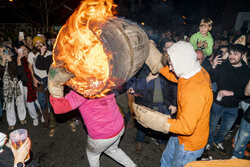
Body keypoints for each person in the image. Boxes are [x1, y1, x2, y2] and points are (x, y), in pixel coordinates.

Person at [133, 41, 213, 167]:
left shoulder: (195, 91)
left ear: (182, 63)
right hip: (178, 133)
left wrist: (157, 121)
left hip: (189, 144)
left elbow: (186, 127)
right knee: (165, 161)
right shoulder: (193, 69)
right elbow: (171, 75)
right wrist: (151, 52)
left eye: (172, 64)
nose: (170, 68)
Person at [48, 65, 136, 167]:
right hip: (119, 127)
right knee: (113, 150)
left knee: (92, 155)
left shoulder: (81, 90)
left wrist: (54, 85)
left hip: (101, 136)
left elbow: (58, 108)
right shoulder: (105, 79)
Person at [206, 44, 250, 154]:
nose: (232, 56)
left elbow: (246, 93)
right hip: (217, 103)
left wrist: (230, 93)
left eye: (236, 54)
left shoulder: (246, 71)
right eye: (230, 53)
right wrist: (214, 67)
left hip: (233, 106)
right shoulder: (223, 65)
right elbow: (211, 79)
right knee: (212, 125)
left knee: (225, 129)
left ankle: (218, 141)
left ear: (243, 55)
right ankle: (208, 142)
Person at [0, 44, 26, 130]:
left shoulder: (13, 58)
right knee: (9, 103)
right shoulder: (0, 61)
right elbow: (0, 74)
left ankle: (22, 118)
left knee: (20, 101)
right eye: (0, 52)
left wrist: (10, 60)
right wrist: (3, 62)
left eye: (4, 51)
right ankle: (11, 122)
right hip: (6, 86)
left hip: (17, 83)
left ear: (8, 51)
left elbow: (16, 72)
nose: (2, 53)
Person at [16, 44, 42, 126]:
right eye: (21, 50)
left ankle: (44, 115)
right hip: (26, 84)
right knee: (30, 103)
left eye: (25, 50)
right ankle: (34, 118)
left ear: (28, 50)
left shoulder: (33, 57)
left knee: (39, 101)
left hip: (35, 82)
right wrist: (18, 59)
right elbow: (19, 73)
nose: (23, 52)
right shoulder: (20, 60)